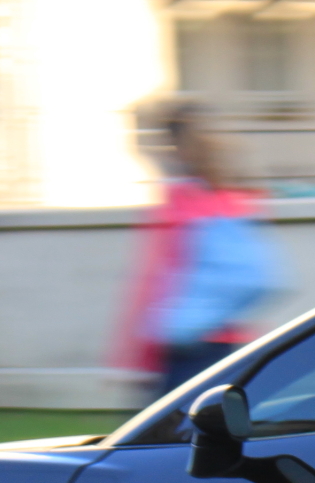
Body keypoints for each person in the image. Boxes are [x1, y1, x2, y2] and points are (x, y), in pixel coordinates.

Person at [112, 103, 287, 399]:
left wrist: (136, 358)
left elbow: (154, 280)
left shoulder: (179, 201)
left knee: (160, 439)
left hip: (183, 343)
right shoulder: (239, 197)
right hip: (229, 340)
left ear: (174, 147)